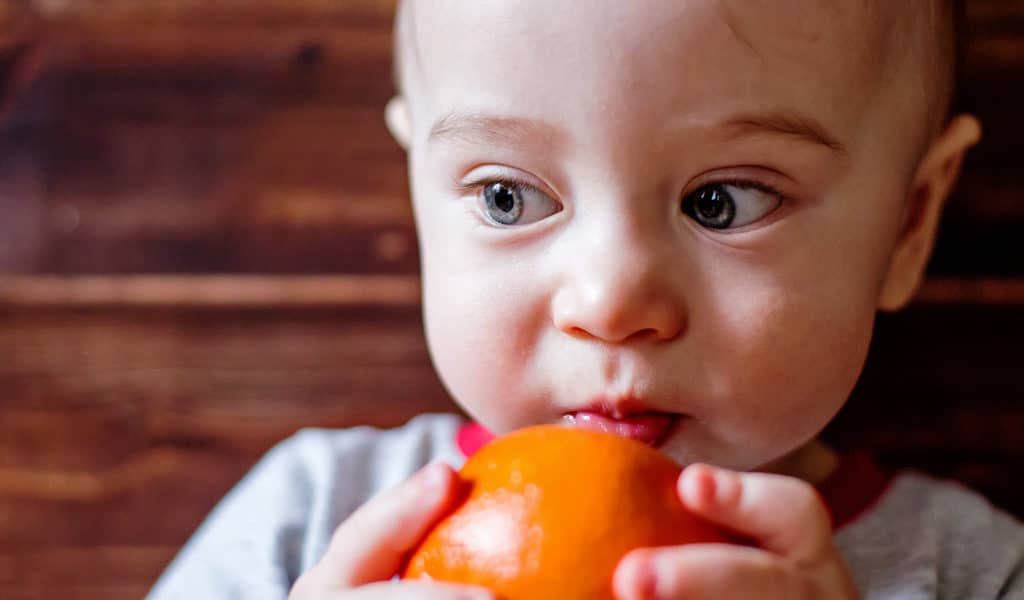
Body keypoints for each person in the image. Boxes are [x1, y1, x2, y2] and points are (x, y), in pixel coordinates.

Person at [148, 1, 1023, 598]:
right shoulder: (307, 523)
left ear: (909, 225)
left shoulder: (971, 572)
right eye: (507, 197)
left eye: (722, 201)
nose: (609, 303)